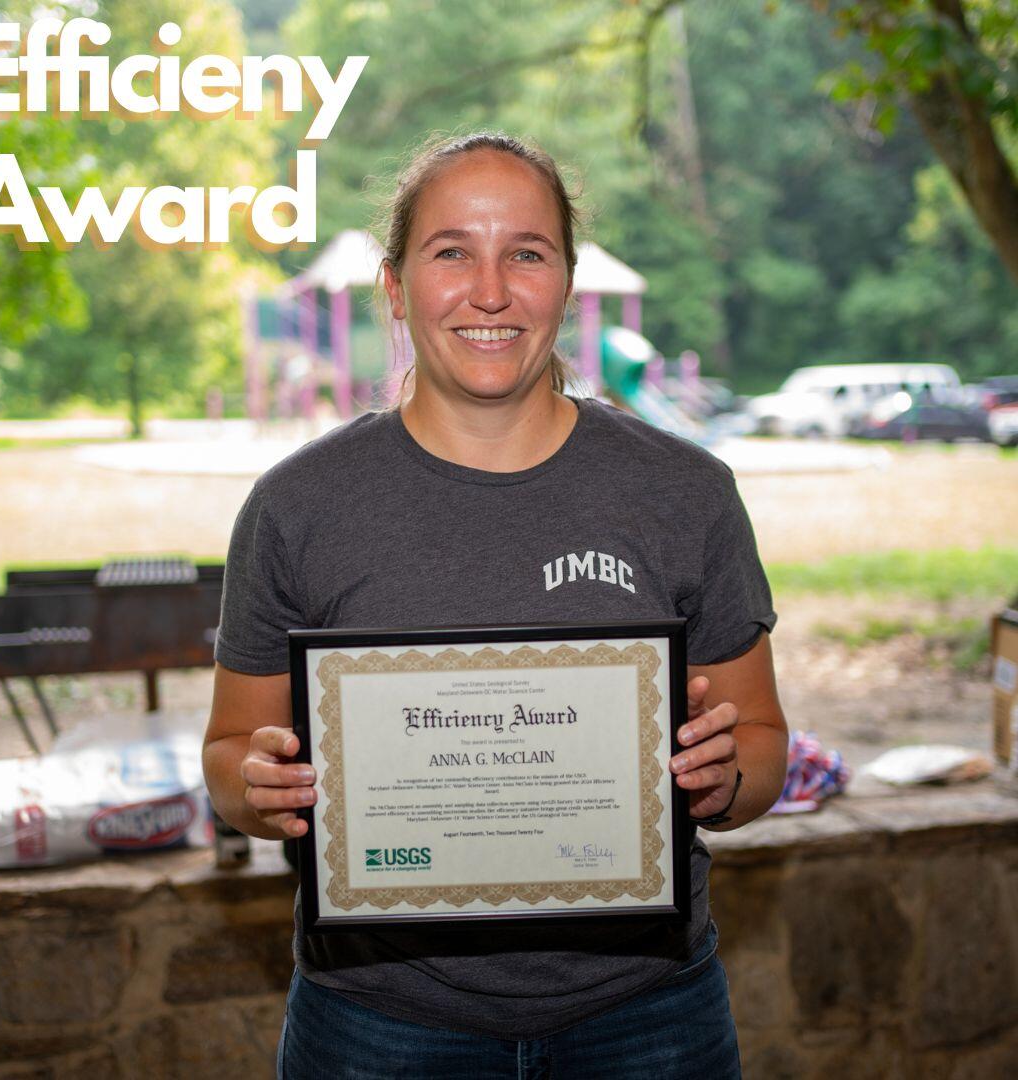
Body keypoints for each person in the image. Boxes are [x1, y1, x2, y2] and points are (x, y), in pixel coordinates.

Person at [202, 131, 788, 1080]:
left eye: (526, 251)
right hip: (378, 1025)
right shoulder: (296, 506)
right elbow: (230, 756)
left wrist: (726, 780)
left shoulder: (686, 491)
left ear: (565, 280)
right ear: (394, 287)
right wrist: (257, 789)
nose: (490, 290)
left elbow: (760, 742)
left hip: (646, 1020)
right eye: (450, 252)